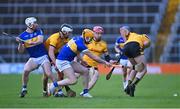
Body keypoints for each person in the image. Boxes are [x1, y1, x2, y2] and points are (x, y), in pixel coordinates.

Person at [48, 29, 111, 98]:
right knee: (73, 80)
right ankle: (53, 85)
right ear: (87, 37)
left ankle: (85, 92)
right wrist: (105, 62)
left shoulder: (77, 38)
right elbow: (94, 57)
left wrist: (82, 60)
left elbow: (76, 52)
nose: (91, 41)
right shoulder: (81, 44)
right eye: (90, 39)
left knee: (85, 71)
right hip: (62, 61)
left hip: (69, 60)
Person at [17, 17, 58, 98]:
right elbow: (20, 51)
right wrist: (20, 43)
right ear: (29, 25)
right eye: (34, 23)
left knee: (49, 73)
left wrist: (31, 42)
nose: (36, 24)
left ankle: (58, 90)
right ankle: (24, 88)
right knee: (25, 70)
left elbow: (40, 41)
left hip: (43, 56)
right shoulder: (22, 36)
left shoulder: (38, 31)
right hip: (33, 58)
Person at [43, 24, 76, 97]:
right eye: (69, 32)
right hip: (45, 54)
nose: (70, 34)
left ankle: (59, 91)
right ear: (64, 31)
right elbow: (50, 51)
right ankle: (45, 90)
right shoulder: (55, 37)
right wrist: (55, 63)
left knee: (61, 72)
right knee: (47, 75)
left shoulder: (66, 38)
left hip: (55, 53)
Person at [119, 26, 151, 97]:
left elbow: (123, 32)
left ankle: (128, 85)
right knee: (144, 69)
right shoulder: (143, 36)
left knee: (136, 67)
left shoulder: (130, 35)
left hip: (126, 47)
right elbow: (148, 42)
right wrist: (142, 46)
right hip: (134, 46)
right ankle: (133, 85)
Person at [81, 26, 111, 92]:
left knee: (96, 76)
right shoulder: (87, 41)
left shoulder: (103, 44)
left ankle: (84, 92)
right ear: (93, 33)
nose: (99, 35)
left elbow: (107, 55)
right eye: (97, 33)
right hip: (84, 63)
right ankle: (57, 89)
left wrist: (110, 61)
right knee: (73, 78)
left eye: (101, 33)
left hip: (94, 65)